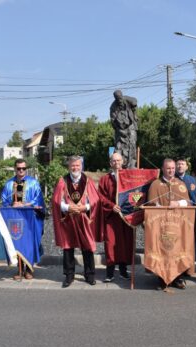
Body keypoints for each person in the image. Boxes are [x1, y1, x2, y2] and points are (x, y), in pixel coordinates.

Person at [51, 156, 102, 288]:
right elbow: (57, 201)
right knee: (68, 247)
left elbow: (95, 200)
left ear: (81, 166)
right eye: (73, 166)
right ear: (69, 167)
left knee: (88, 247)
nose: (75, 168)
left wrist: (86, 207)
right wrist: (68, 207)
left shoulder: (88, 181)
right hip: (69, 219)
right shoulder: (63, 181)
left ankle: (90, 275)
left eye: (77, 165)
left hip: (84, 219)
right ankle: (69, 275)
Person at [146, 158, 192, 289]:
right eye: (168, 168)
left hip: (178, 224)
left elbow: (188, 202)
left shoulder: (180, 184)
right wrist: (158, 206)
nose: (171, 171)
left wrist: (177, 203)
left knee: (176, 250)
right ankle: (162, 279)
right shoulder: (155, 184)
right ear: (163, 169)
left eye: (173, 168)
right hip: (161, 225)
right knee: (163, 250)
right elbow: (150, 204)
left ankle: (177, 278)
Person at [1, 158, 45, 280]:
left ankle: (29, 269)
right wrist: (12, 204)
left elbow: (38, 200)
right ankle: (19, 270)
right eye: (19, 168)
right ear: (15, 169)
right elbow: (4, 201)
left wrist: (24, 205)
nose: (21, 171)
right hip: (14, 220)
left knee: (29, 244)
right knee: (17, 243)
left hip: (29, 219)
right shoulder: (9, 184)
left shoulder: (33, 183)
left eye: (23, 168)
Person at [98, 153, 133, 282]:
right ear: (110, 163)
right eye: (114, 161)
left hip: (125, 216)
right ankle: (110, 273)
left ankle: (123, 271)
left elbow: (135, 193)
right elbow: (100, 197)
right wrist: (111, 206)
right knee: (111, 243)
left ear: (122, 162)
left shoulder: (129, 178)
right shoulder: (105, 179)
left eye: (118, 160)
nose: (116, 163)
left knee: (124, 243)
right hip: (111, 216)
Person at [175, 156, 196, 262]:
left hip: (191, 214)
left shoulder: (192, 180)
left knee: (190, 237)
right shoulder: (172, 179)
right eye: (178, 164)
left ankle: (191, 261)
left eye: (182, 164)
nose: (180, 166)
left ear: (186, 167)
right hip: (176, 214)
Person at [109, 90, 138, 168]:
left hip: (130, 126)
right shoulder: (113, 107)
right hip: (119, 129)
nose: (120, 100)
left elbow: (135, 102)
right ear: (115, 99)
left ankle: (132, 165)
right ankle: (118, 166)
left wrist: (131, 102)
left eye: (121, 97)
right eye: (118, 99)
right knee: (119, 146)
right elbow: (113, 122)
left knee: (132, 144)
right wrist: (120, 131)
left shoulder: (126, 99)